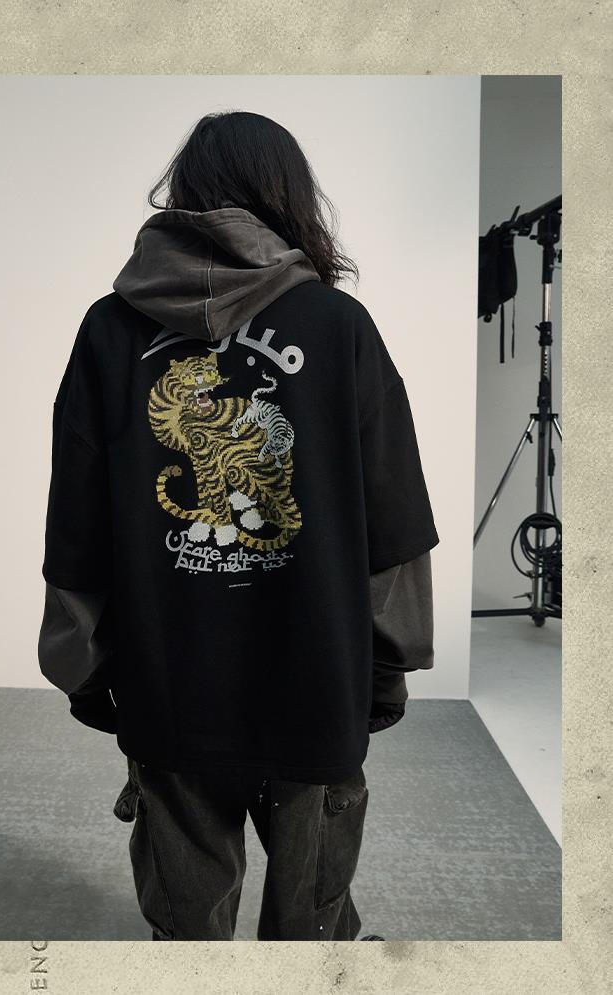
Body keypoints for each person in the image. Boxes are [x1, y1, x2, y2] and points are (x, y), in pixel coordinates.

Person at [37, 110, 439, 941]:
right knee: (310, 922)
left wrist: (83, 661)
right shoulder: (338, 326)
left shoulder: (110, 329)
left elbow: (76, 518)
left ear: (186, 195)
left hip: (166, 674)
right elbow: (395, 511)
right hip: (317, 675)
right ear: (290, 196)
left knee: (187, 922)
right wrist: (388, 661)